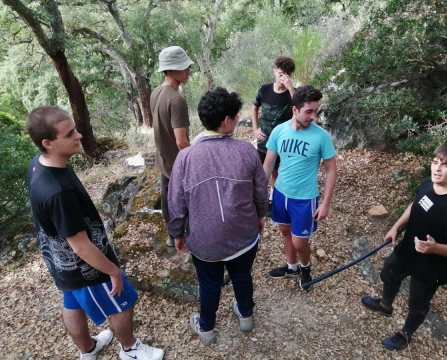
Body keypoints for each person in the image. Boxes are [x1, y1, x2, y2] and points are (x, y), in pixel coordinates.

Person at [26, 106, 164, 360]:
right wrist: (112, 270)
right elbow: (79, 245)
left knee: (72, 302)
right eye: (69, 134)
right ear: (48, 143)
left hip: (60, 263)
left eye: (75, 129)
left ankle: (88, 350)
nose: (78, 135)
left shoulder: (40, 164)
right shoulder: (58, 192)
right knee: (123, 299)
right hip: (85, 266)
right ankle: (130, 349)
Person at [167, 88, 269, 345]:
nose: (236, 119)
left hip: (204, 241)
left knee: (209, 284)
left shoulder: (185, 157)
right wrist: (260, 217)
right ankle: (246, 316)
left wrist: (177, 233)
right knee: (242, 275)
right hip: (244, 235)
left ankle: (207, 329)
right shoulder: (246, 151)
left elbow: (176, 204)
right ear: (227, 120)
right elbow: (260, 191)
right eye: (235, 116)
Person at [361, 143, 447, 351]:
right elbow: (416, 204)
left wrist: (435, 247)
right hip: (408, 250)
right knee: (389, 272)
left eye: (446, 165)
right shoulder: (427, 184)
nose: (437, 168)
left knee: (418, 303)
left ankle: (405, 334)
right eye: (435, 162)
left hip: (431, 266)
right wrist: (396, 226)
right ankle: (385, 305)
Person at [263, 85, 337, 291]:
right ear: (295, 110)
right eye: (309, 111)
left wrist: (325, 204)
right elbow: (268, 165)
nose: (313, 116)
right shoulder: (279, 131)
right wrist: (261, 193)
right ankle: (291, 267)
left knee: (299, 242)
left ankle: (305, 267)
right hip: (280, 193)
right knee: (285, 232)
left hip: (304, 199)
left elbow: (331, 170)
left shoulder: (321, 136)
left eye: (316, 111)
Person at [151, 45, 194, 247]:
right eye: (184, 67)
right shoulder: (176, 100)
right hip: (177, 161)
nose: (188, 71)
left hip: (163, 157)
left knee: (167, 195)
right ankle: (185, 236)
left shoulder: (156, 92)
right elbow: (182, 141)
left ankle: (172, 234)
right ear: (170, 70)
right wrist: (197, 160)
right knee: (183, 201)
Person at [252, 56, 296, 213]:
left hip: (282, 142)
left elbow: (299, 108)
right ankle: (259, 200)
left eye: (287, 74)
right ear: (274, 71)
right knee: (260, 171)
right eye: (280, 73)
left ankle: (271, 200)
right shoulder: (264, 89)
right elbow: (254, 107)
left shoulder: (292, 94)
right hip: (264, 140)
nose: (283, 77)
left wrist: (291, 88)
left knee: (276, 172)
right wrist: (255, 128)